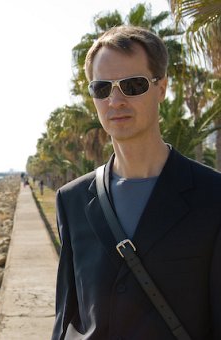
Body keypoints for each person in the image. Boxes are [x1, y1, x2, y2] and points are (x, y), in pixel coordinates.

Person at [52, 26, 221, 340]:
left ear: (161, 88)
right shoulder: (72, 201)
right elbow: (66, 321)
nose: (115, 100)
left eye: (132, 85)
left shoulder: (214, 197)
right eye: (102, 88)